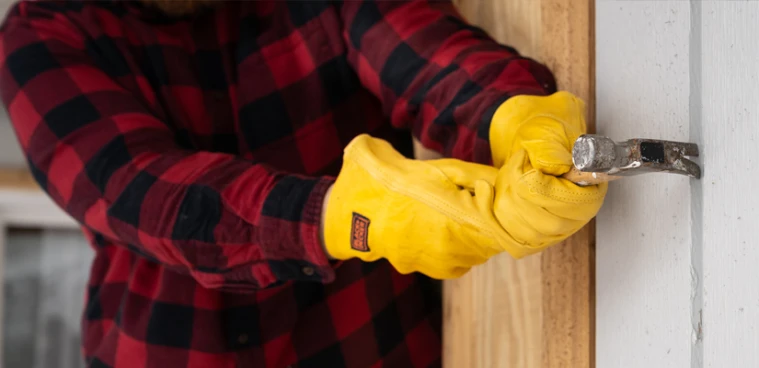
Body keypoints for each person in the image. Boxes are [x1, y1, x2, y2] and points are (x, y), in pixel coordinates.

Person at [0, 0, 607, 366]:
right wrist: (341, 216)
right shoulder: (39, 38)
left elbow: (422, 51)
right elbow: (143, 193)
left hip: (377, 346)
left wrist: (511, 113)